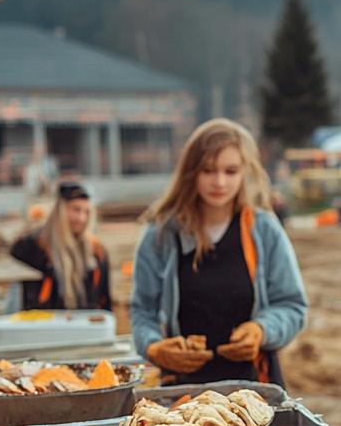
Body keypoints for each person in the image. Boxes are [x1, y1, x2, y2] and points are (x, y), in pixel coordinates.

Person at [131, 118, 308, 386]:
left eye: (231, 171)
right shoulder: (161, 235)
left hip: (255, 389)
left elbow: (292, 305)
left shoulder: (263, 230)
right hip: (182, 392)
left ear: (245, 172)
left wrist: (261, 330)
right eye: (208, 170)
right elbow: (143, 312)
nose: (219, 182)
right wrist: (155, 347)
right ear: (191, 172)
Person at [9, 181, 112, 311]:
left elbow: (104, 298)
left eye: (86, 212)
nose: (81, 218)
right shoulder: (36, 245)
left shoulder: (97, 251)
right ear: (60, 210)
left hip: (84, 323)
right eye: (75, 209)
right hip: (45, 322)